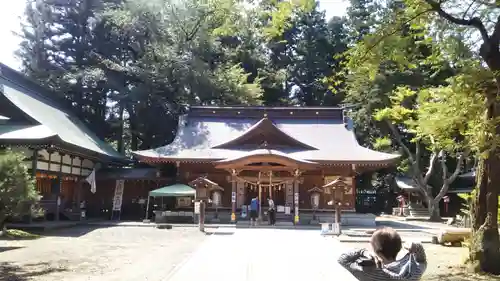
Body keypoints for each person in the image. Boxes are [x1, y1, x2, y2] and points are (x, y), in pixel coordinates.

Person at [337, 227, 427, 281]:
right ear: (399, 248)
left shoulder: (368, 271)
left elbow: (342, 259)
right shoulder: (413, 271)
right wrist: (415, 245)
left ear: (375, 250)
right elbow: (421, 259)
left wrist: (363, 252)